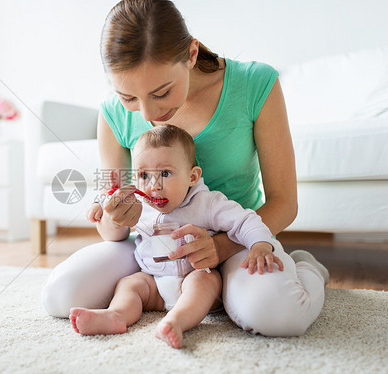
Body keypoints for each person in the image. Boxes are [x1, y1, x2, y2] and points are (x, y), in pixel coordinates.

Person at [42, 0, 330, 337]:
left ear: (191, 54)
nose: (147, 114)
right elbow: (112, 228)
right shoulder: (111, 115)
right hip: (152, 247)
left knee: (278, 316)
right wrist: (115, 216)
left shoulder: (256, 83)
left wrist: (219, 247)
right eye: (128, 98)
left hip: (237, 241)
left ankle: (307, 267)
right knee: (60, 296)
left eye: (161, 92)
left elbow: (285, 202)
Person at [70, 125, 283, 349]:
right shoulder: (139, 204)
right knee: (129, 284)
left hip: (193, 278)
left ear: (192, 176)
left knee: (205, 281)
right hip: (153, 283)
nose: (154, 186)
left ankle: (176, 321)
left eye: (165, 173)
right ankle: (116, 315)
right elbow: (112, 202)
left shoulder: (207, 203)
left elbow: (244, 220)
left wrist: (260, 244)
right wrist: (101, 206)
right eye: (144, 175)